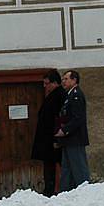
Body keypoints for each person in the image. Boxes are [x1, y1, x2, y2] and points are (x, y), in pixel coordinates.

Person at [31, 69, 67, 197]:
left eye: (47, 83)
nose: (45, 86)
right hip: (48, 138)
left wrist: (56, 139)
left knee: (55, 164)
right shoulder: (53, 95)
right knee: (49, 164)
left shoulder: (60, 95)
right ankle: (50, 189)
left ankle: (53, 190)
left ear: (55, 83)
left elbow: (59, 118)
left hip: (53, 138)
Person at [55, 70, 90, 192]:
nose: (63, 82)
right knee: (67, 169)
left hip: (75, 139)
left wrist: (64, 130)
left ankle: (84, 191)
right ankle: (66, 193)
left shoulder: (76, 95)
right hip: (68, 140)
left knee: (79, 168)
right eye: (63, 79)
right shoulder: (69, 95)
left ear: (74, 80)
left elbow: (78, 118)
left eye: (66, 79)